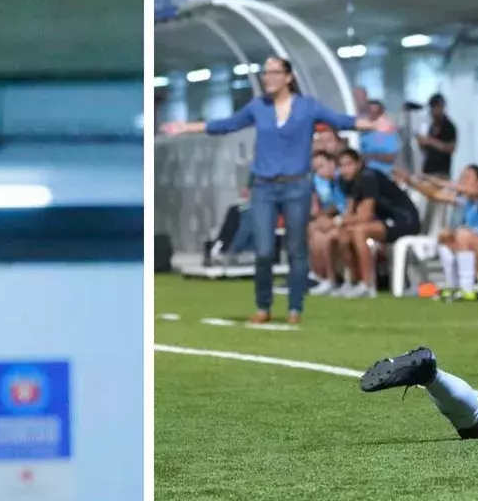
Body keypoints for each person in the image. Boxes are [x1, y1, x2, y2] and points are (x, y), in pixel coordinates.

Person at [161, 58, 377, 324]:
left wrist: (372, 123)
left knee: (296, 248)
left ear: (288, 77)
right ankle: (263, 306)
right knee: (263, 250)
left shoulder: (307, 107)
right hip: (263, 187)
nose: (267, 77)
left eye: (273, 72)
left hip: (296, 185)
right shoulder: (258, 107)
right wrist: (186, 127)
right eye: (265, 73)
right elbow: (227, 124)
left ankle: (295, 308)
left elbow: (340, 120)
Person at [396, 165, 478, 292]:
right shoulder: (468, 204)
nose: (462, 181)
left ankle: (466, 288)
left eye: (467, 177)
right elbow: (435, 195)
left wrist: (442, 183)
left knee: (463, 234)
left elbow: (475, 192)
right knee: (445, 235)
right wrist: (410, 181)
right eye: (461, 178)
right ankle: (454, 285)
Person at [335, 147, 421, 298]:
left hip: (402, 220)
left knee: (359, 231)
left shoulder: (368, 177)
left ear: (359, 163)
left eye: (348, 164)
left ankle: (368, 285)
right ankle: (353, 282)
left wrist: (338, 220)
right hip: (384, 221)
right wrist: (342, 223)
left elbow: (365, 216)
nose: (345, 169)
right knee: (343, 233)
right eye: (341, 166)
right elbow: (351, 210)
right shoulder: (347, 181)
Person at [307, 151, 351, 294]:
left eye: (321, 167)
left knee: (327, 236)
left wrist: (332, 221)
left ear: (332, 164)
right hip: (338, 219)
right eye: (316, 169)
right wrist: (322, 217)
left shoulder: (344, 181)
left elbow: (347, 209)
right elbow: (330, 208)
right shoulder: (328, 183)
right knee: (314, 229)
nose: (318, 172)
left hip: (349, 221)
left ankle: (332, 279)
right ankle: (320, 275)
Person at [417, 94, 457, 179]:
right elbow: (425, 150)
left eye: (438, 107)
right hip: (428, 171)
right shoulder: (430, 126)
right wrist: (421, 143)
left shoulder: (449, 127)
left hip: (442, 172)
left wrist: (431, 141)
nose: (435, 111)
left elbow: (451, 148)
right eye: (433, 107)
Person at [358, 99, 400, 176]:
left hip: (383, 175)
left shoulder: (389, 133)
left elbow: (391, 158)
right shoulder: (360, 133)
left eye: (376, 113)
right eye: (369, 112)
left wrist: (370, 156)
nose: (373, 116)